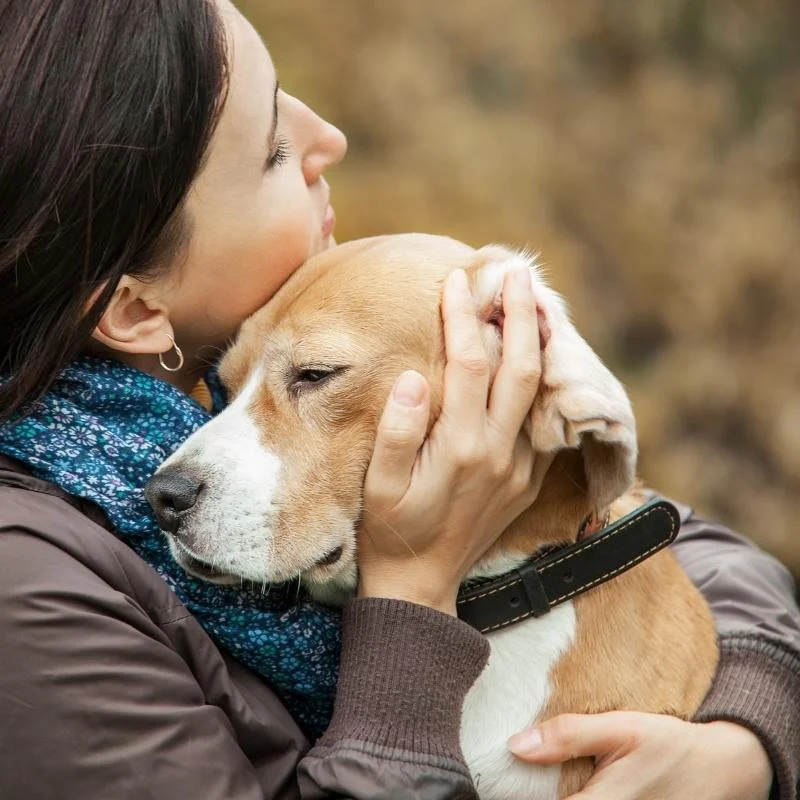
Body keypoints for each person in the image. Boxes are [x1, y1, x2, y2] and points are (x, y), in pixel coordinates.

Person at [0, 1, 797, 798]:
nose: (329, 139)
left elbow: (672, 536)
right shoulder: (31, 589)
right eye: (272, 150)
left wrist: (745, 736)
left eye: (310, 376)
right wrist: (413, 587)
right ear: (135, 309)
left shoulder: (223, 388)